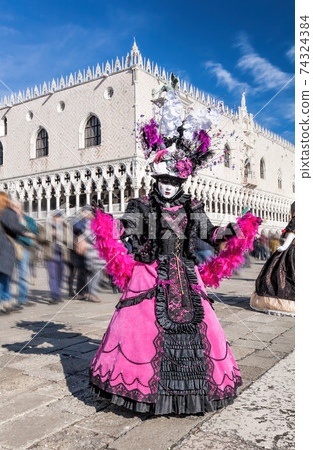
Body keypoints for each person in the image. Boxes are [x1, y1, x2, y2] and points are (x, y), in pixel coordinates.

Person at [89, 88, 260, 415]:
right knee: (138, 331)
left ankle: (190, 395)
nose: (168, 185)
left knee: (198, 332)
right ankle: (147, 392)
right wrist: (111, 227)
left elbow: (210, 233)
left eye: (174, 181)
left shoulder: (193, 207)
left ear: (183, 181)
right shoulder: (141, 204)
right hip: (149, 273)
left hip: (185, 275)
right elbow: (128, 225)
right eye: (164, 179)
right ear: (156, 177)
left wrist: (234, 230)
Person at [250, 202, 295, 316]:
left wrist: (284, 247)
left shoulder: (296, 219)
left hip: (291, 252)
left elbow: (292, 234)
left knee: (282, 274)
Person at [0, 193, 31, 314]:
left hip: (1, 249)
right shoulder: (4, 213)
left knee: (4, 275)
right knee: (0, 276)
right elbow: (14, 226)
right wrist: (26, 231)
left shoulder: (0, 214)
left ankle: (5, 300)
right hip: (1, 249)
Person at [12, 201, 39, 306]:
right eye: (13, 207)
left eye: (17, 207)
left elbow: (35, 234)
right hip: (9, 248)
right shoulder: (8, 219)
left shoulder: (29, 220)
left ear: (21, 208)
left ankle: (22, 299)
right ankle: (2, 299)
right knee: (7, 275)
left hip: (23, 248)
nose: (15, 209)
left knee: (23, 274)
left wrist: (24, 232)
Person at [41, 210, 70, 303]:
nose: (57, 218)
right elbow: (41, 238)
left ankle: (58, 292)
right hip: (51, 253)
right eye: (55, 216)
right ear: (53, 217)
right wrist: (50, 234)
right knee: (53, 275)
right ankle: (55, 295)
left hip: (62, 253)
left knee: (60, 275)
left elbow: (70, 240)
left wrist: (61, 236)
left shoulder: (66, 227)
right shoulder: (47, 226)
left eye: (59, 216)